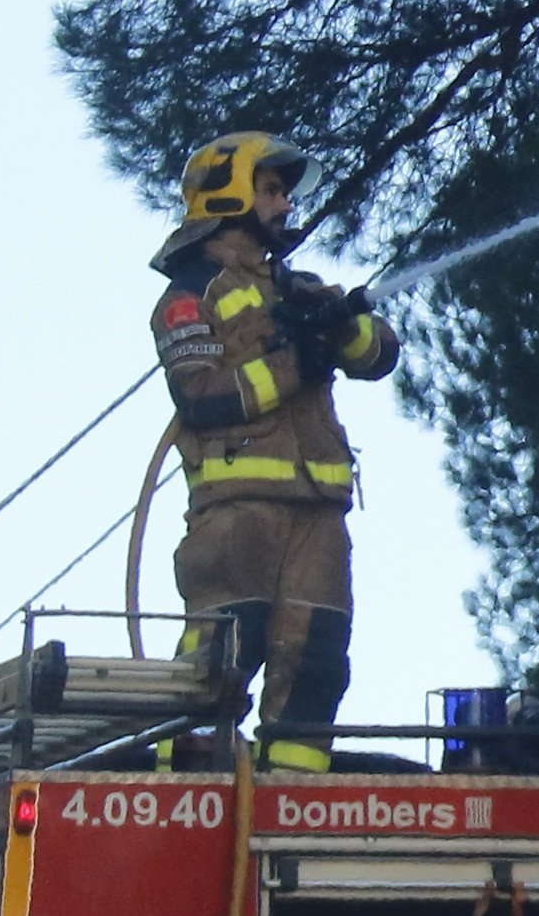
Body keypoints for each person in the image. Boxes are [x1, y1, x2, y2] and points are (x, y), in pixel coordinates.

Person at [149, 130, 402, 772]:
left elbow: (381, 355)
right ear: (229, 195)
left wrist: (339, 326)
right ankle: (184, 788)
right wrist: (294, 364)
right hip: (237, 517)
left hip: (319, 513)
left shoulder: (302, 290)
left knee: (316, 660)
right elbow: (202, 397)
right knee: (225, 651)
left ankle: (293, 797)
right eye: (271, 190)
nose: (286, 205)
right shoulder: (190, 297)